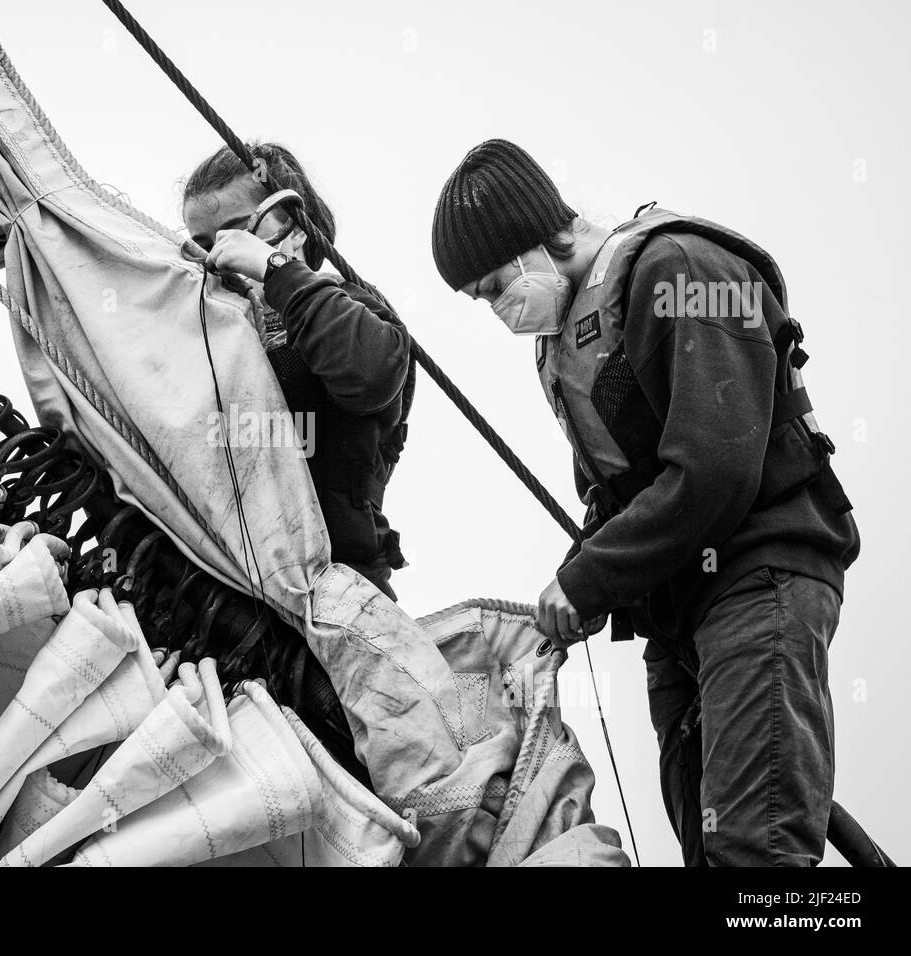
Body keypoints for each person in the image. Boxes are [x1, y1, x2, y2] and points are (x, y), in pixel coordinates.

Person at [430, 139, 860, 866]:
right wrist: (574, 582)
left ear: (544, 236)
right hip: (677, 620)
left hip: (760, 580)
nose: (498, 307)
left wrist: (587, 581)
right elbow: (614, 504)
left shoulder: (679, 271)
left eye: (497, 281)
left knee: (754, 855)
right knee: (709, 845)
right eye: (481, 298)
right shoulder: (566, 344)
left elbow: (713, 470)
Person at [182, 142, 412, 599]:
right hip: (220, 583)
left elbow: (368, 373)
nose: (220, 256)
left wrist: (275, 272)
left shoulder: (355, 310)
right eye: (205, 244)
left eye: (235, 233)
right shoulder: (207, 330)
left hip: (337, 586)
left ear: (294, 228)